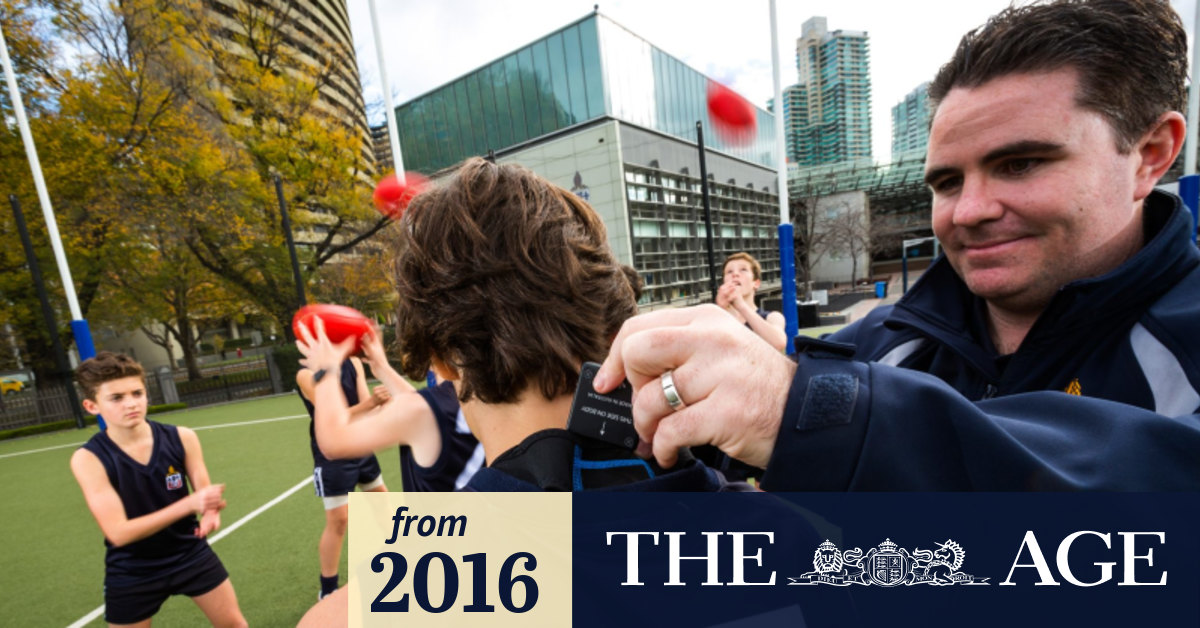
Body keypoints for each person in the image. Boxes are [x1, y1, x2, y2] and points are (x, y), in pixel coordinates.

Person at [596, 0, 1200, 490]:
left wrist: (808, 417)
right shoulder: (881, 344)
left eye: (1020, 164)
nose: (969, 210)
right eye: (946, 181)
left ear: (1150, 154)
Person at [298, 157, 752, 493]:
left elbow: (337, 439)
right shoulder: (784, 543)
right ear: (614, 325)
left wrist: (326, 370)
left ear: (443, 361)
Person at [69, 352, 247, 627]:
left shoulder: (182, 438)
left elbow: (204, 490)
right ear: (92, 406)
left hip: (190, 553)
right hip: (132, 568)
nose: (131, 403)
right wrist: (189, 505)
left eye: (137, 393)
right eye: (116, 398)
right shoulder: (88, 459)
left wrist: (211, 512)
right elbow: (119, 533)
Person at [298, 322, 483, 493]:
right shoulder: (485, 399)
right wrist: (381, 367)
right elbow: (424, 405)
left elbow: (333, 442)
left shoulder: (422, 410)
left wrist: (326, 371)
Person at [295, 356, 388, 600]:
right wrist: (371, 404)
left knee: (385, 507)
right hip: (332, 452)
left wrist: (384, 402)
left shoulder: (353, 362)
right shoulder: (305, 374)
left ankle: (405, 561)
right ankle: (327, 589)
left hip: (360, 445)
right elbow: (332, 416)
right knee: (339, 521)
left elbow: (367, 405)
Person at [716, 252, 786, 351]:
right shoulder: (715, 317)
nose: (735, 274)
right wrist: (720, 310)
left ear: (756, 283)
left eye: (743, 270)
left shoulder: (772, 317)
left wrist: (741, 306)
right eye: (729, 272)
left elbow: (778, 343)